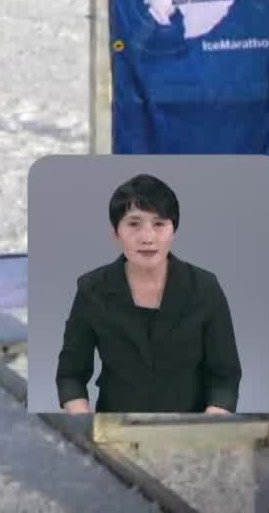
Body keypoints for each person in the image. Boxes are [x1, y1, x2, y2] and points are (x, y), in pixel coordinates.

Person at [56, 174, 241, 415]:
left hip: (191, 430)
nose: (147, 237)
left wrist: (211, 422)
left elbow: (225, 376)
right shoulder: (92, 289)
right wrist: (86, 424)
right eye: (133, 224)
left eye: (159, 224)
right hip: (114, 433)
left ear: (173, 230)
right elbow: (70, 375)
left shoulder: (205, 288)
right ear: (115, 232)